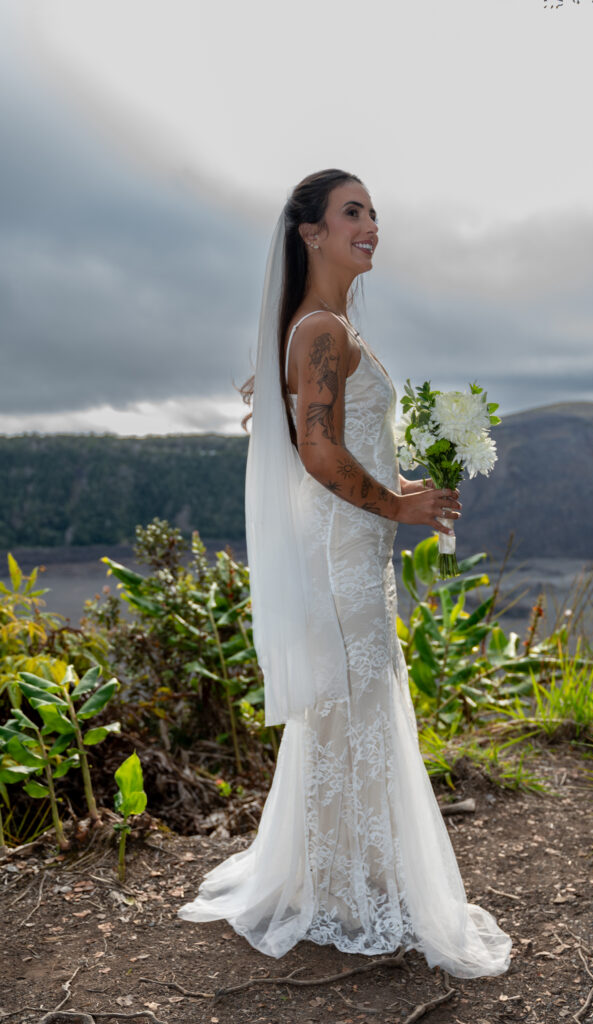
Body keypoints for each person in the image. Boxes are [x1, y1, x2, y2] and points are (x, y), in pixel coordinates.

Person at [178, 169, 512, 978]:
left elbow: (341, 453)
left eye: (373, 213)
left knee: (350, 706)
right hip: (341, 559)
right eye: (351, 212)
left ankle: (340, 877)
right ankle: (346, 889)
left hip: (350, 548)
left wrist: (408, 493)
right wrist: (394, 509)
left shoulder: (320, 327)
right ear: (310, 233)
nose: (370, 225)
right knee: (350, 704)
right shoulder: (320, 330)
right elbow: (319, 452)